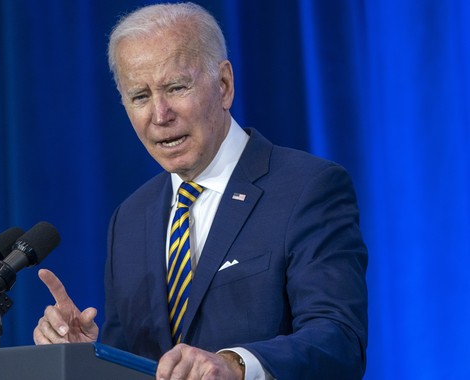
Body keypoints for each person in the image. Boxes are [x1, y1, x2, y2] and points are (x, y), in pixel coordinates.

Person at [33, 3, 368, 379]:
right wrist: (90, 357)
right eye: (140, 96)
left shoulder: (306, 187)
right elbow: (136, 363)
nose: (160, 115)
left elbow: (339, 340)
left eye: (176, 87)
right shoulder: (129, 218)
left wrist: (236, 365)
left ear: (223, 85)